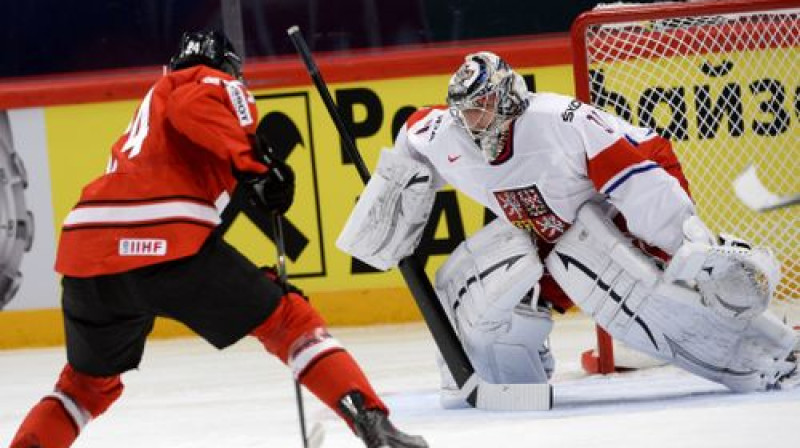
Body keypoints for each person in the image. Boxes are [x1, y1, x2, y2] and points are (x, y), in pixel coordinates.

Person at [9, 31, 428, 448]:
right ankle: (375, 427)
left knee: (84, 388)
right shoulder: (210, 82)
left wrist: (256, 178)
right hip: (160, 242)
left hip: (88, 252)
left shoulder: (149, 108)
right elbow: (193, 105)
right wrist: (256, 167)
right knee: (289, 320)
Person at [336, 51, 799, 406]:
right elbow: (413, 139)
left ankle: (770, 354)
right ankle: (500, 370)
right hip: (555, 223)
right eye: (465, 113)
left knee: (642, 293)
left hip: (627, 185)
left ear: (507, 97)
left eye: (481, 110)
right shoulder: (444, 133)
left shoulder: (560, 122)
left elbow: (638, 183)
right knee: (501, 283)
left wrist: (686, 247)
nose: (471, 124)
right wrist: (391, 208)